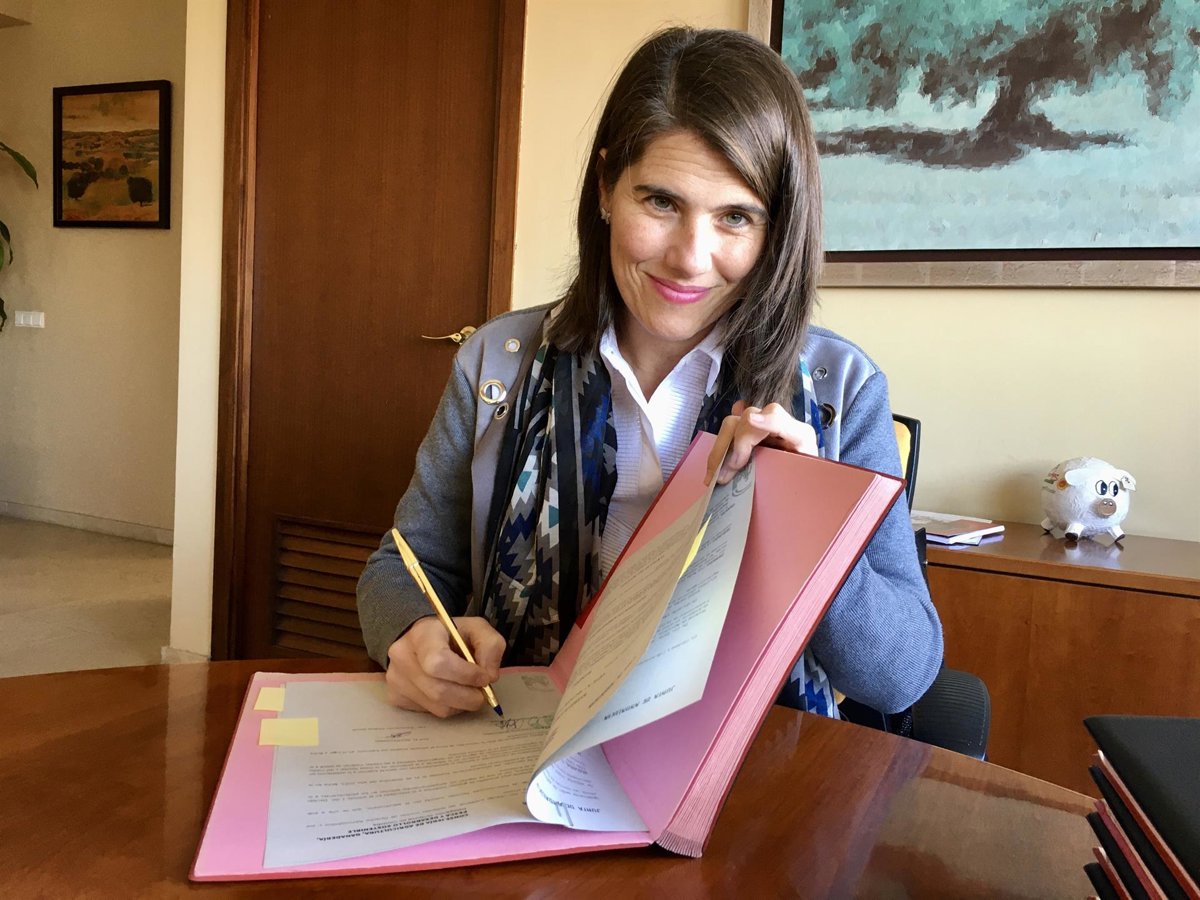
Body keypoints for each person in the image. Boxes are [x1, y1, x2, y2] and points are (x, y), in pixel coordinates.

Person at [357, 26, 942, 720]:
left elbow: (902, 677)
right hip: (524, 748)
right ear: (606, 187)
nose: (690, 257)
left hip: (747, 769)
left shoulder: (840, 389)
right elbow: (400, 568)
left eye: (735, 217)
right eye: (661, 202)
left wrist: (807, 517)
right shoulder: (497, 365)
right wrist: (411, 634)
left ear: (777, 228)